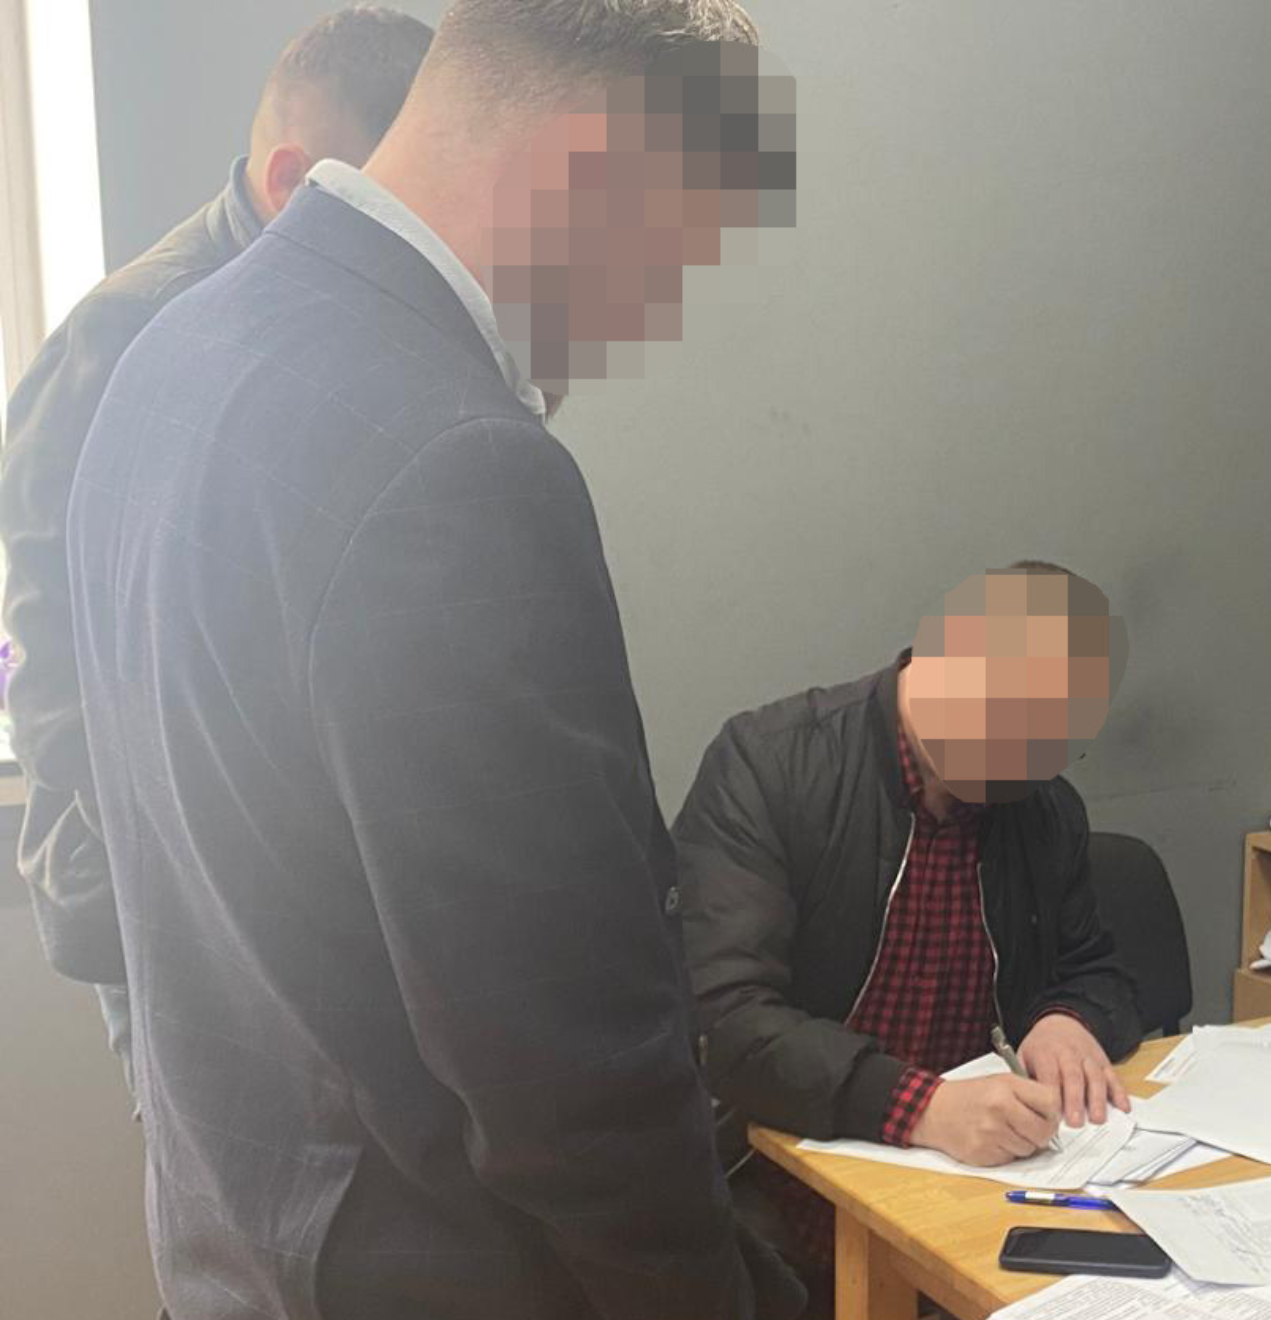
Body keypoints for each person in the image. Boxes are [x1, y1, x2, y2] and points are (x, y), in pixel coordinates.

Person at [61, 2, 800, 1317]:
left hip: (235, 1246)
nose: (656, 313)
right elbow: (566, 1071)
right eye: (673, 245)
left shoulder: (166, 351)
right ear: (594, 163)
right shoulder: (458, 464)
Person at [0, 3, 434, 1094]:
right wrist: (165, 859)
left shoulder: (318, 312)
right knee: (226, 1169)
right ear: (291, 180)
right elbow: (40, 646)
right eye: (385, 207)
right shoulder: (122, 334)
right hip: (163, 896)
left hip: (288, 883)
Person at [676, 560, 1141, 1299]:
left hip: (979, 1187)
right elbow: (725, 1021)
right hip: (786, 1184)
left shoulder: (1040, 809)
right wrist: (923, 1108)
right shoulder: (771, 766)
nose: (1021, 762)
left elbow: (1095, 967)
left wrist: (1067, 1017)